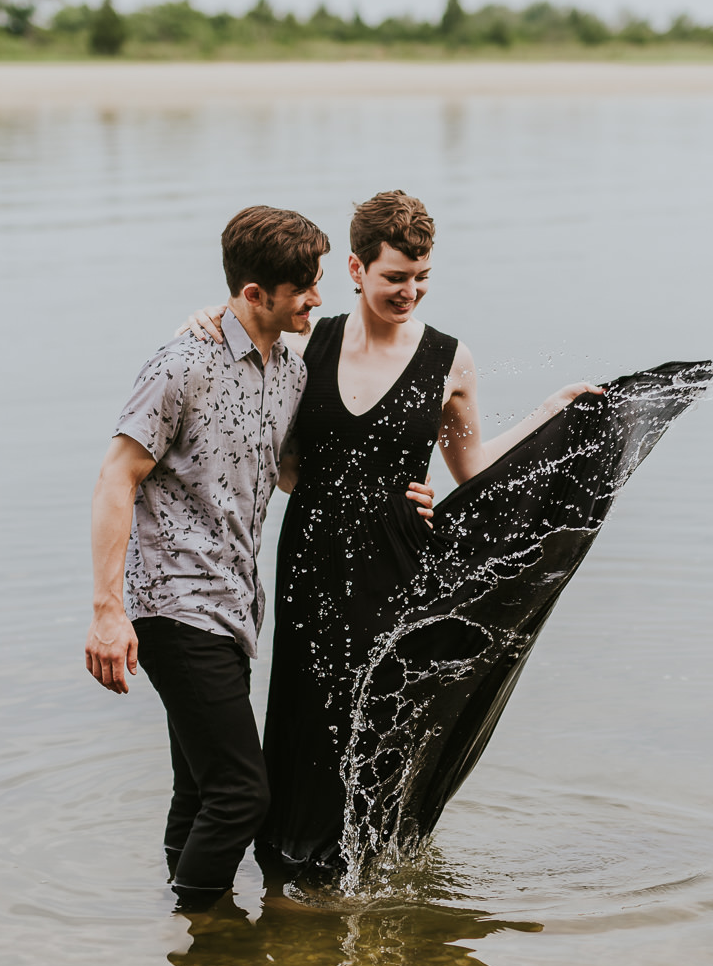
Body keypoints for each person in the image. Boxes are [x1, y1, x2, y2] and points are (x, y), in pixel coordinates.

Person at [182, 190, 601, 875]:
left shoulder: (450, 359)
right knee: (308, 709)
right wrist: (204, 316)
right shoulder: (306, 339)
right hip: (312, 560)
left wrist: (548, 414)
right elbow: (277, 449)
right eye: (394, 278)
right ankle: (296, 864)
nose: (410, 291)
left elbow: (472, 467)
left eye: (422, 278)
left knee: (381, 716)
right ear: (355, 268)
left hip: (399, 563)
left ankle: (373, 863)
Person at [85, 204, 432, 912]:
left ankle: (178, 928)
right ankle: (210, 938)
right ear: (253, 295)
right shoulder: (183, 363)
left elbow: (295, 473)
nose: (317, 298)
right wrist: (107, 612)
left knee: (203, 790)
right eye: (304, 288)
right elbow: (116, 477)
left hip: (236, 610)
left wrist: (400, 499)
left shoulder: (289, 372)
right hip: (175, 609)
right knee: (244, 795)